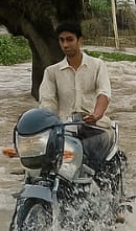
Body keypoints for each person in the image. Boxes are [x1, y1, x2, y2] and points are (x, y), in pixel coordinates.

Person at [38, 21, 126, 213]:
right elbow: (47, 102)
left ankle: (112, 204)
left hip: (95, 127)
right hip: (63, 129)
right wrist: (47, 122)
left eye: (70, 39)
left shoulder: (97, 65)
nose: (65, 44)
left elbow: (104, 93)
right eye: (61, 40)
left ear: (80, 41)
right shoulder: (51, 72)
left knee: (102, 163)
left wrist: (96, 114)